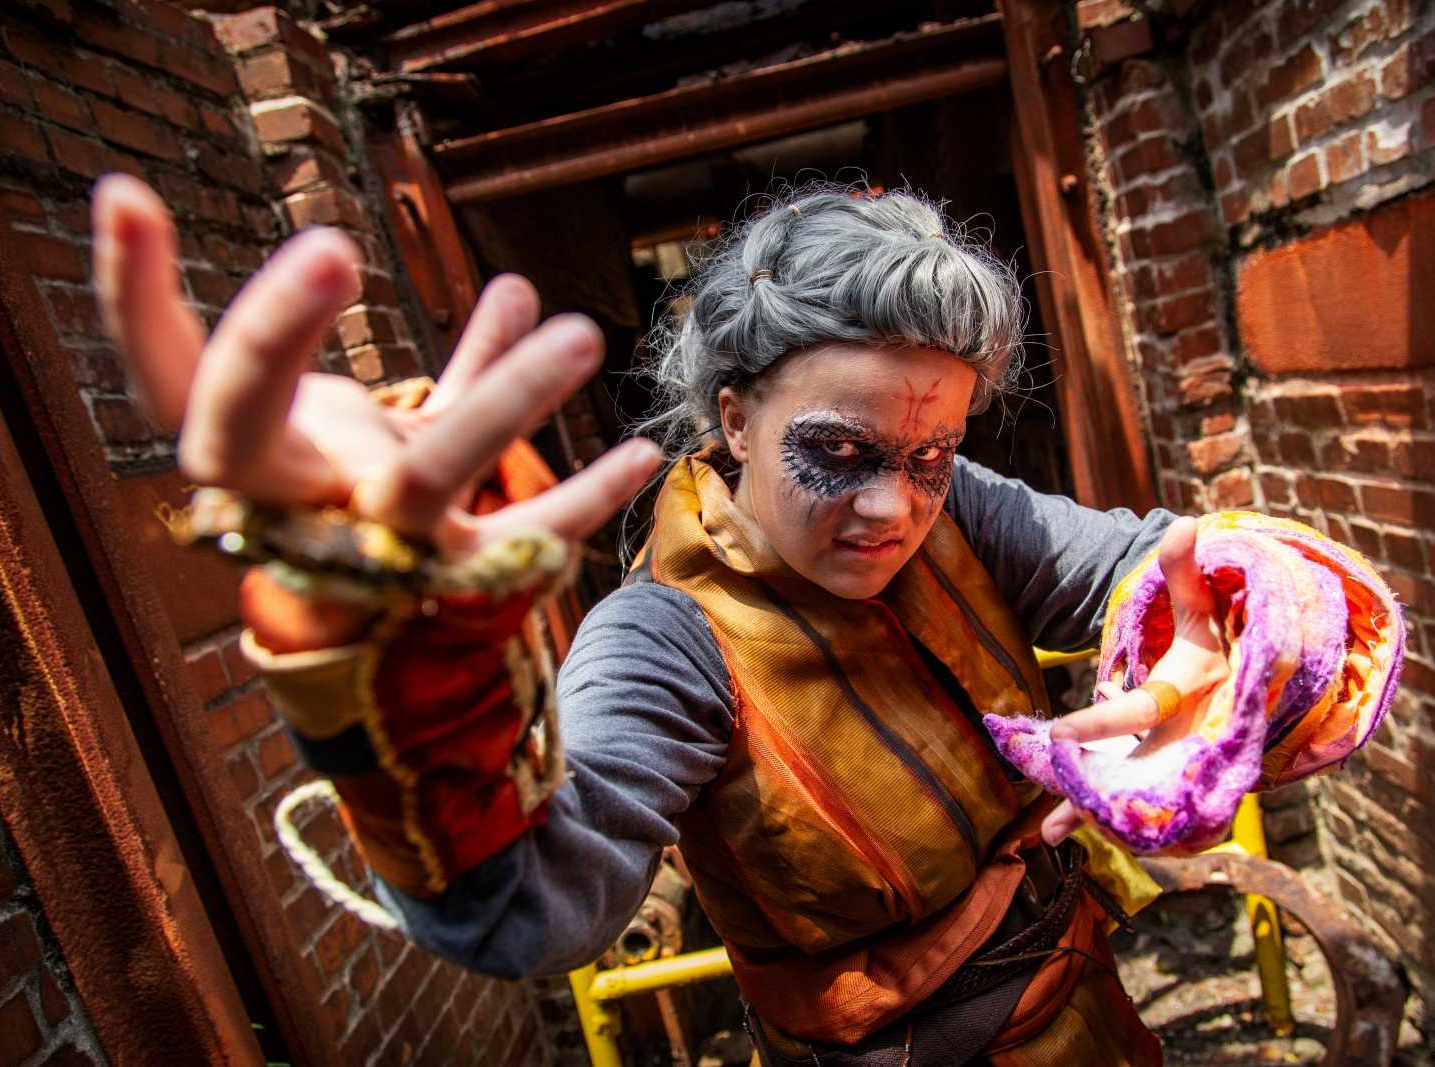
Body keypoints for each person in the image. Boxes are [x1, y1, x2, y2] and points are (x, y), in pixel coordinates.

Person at [92, 176, 1255, 1066]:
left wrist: (1253, 606)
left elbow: (1151, 561)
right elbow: (525, 907)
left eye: (930, 455)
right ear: (735, 418)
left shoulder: (963, 509)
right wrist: (395, 647)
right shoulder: (664, 639)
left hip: (1092, 1003)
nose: (892, 508)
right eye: (836, 451)